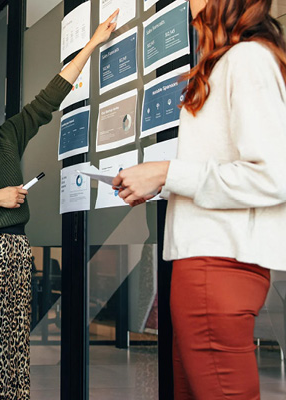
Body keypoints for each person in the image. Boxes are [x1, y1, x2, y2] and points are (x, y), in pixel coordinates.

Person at [0, 10, 119, 399]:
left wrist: (92, 44)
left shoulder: (8, 137)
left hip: (14, 253)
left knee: (11, 351)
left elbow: (51, 96)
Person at [111, 0, 286, 398]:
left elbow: (273, 175)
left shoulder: (246, 60)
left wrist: (166, 172)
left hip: (218, 266)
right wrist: (162, 182)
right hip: (208, 265)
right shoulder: (229, 61)